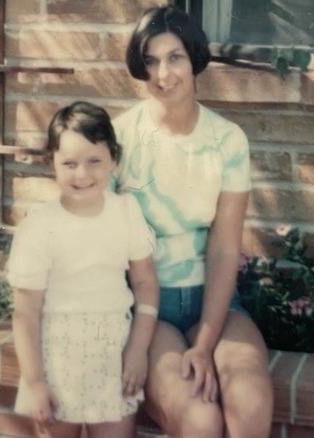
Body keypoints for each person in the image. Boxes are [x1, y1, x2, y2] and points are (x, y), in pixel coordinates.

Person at [112, 5, 274, 438]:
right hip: (150, 311)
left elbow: (223, 247)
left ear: (195, 58)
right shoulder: (120, 139)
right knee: (200, 420)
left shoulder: (226, 140)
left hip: (215, 301)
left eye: (175, 57)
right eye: (150, 60)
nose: (163, 74)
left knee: (251, 400)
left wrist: (205, 343)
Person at [6, 101, 160, 438]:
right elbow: (26, 312)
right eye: (69, 163)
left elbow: (146, 283)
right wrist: (34, 382)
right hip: (57, 360)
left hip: (114, 356)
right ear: (52, 165)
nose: (82, 174)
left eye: (94, 161)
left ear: (113, 160)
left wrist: (137, 349)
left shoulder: (126, 213)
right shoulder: (40, 226)